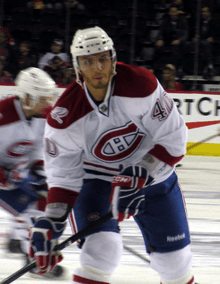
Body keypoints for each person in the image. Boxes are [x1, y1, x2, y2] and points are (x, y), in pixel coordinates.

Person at [29, 27, 196, 284]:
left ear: (113, 59)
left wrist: (143, 172)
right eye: (88, 61)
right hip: (97, 180)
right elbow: (63, 177)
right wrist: (51, 220)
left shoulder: (141, 84)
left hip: (154, 176)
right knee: (101, 250)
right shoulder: (65, 116)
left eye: (103, 58)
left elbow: (173, 139)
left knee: (175, 265)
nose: (97, 68)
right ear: (77, 67)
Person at [0, 67, 65, 279]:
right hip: (4, 178)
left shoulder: (42, 116)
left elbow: (38, 148)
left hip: (18, 173)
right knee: (30, 209)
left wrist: (40, 174)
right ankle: (35, 259)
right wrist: (4, 176)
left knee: (44, 205)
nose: (48, 103)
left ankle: (29, 247)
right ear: (27, 97)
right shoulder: (3, 115)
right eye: (43, 98)